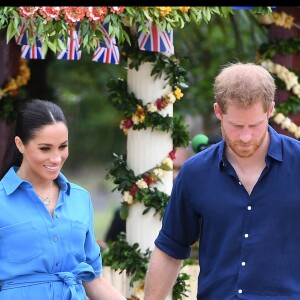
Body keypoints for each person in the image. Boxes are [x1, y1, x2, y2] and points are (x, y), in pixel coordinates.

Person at [144, 61, 300, 299]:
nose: (246, 136)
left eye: (255, 125)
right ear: (218, 112)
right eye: (236, 126)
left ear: (270, 111)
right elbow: (169, 250)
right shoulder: (194, 173)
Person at [0, 99, 126, 300]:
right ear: (20, 144)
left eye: (63, 146)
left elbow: (94, 280)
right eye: (45, 148)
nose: (56, 158)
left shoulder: (80, 199)